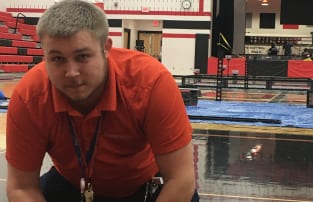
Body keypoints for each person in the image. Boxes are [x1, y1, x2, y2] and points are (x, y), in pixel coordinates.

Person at [5, 1, 199, 202]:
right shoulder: (29, 97)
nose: (72, 73)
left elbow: (180, 179)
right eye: (57, 59)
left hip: (145, 186)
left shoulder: (150, 83)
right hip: (73, 184)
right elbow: (22, 187)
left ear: (106, 48)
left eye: (82, 56)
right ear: (44, 54)